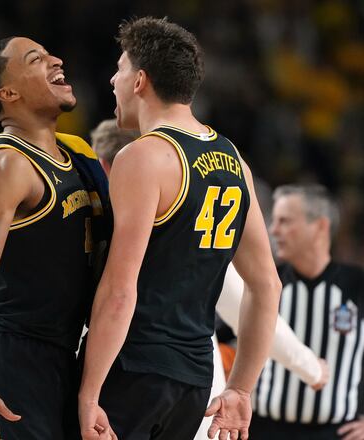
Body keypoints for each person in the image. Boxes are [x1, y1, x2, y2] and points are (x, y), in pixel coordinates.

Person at [79, 17, 282, 440]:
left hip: (134, 370)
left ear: (140, 81)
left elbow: (120, 290)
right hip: (194, 382)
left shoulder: (143, 157)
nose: (113, 81)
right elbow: (267, 285)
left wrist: (88, 392)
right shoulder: (234, 160)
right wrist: (240, 389)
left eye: (120, 69)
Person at [89, 118, 331, 439]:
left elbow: (256, 292)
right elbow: (257, 294)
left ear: (105, 167)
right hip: (192, 383)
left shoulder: (100, 225)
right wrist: (309, 367)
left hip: (134, 378)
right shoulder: (191, 218)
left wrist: (86, 393)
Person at [0, 36, 108, 440]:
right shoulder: (7, 164)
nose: (56, 60)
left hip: (68, 353)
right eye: (36, 59)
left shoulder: (77, 154)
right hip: (16, 355)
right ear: (9, 93)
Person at [251, 184, 364, 440]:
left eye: (285, 221)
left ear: (320, 227)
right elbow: (218, 337)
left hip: (336, 434)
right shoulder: (265, 284)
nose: (274, 230)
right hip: (264, 431)